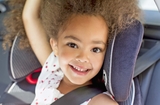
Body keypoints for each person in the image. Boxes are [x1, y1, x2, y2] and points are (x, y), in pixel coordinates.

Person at [3, 0, 141, 105]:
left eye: (95, 49)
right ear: (55, 46)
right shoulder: (53, 69)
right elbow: (30, 17)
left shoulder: (100, 102)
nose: (83, 57)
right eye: (73, 45)